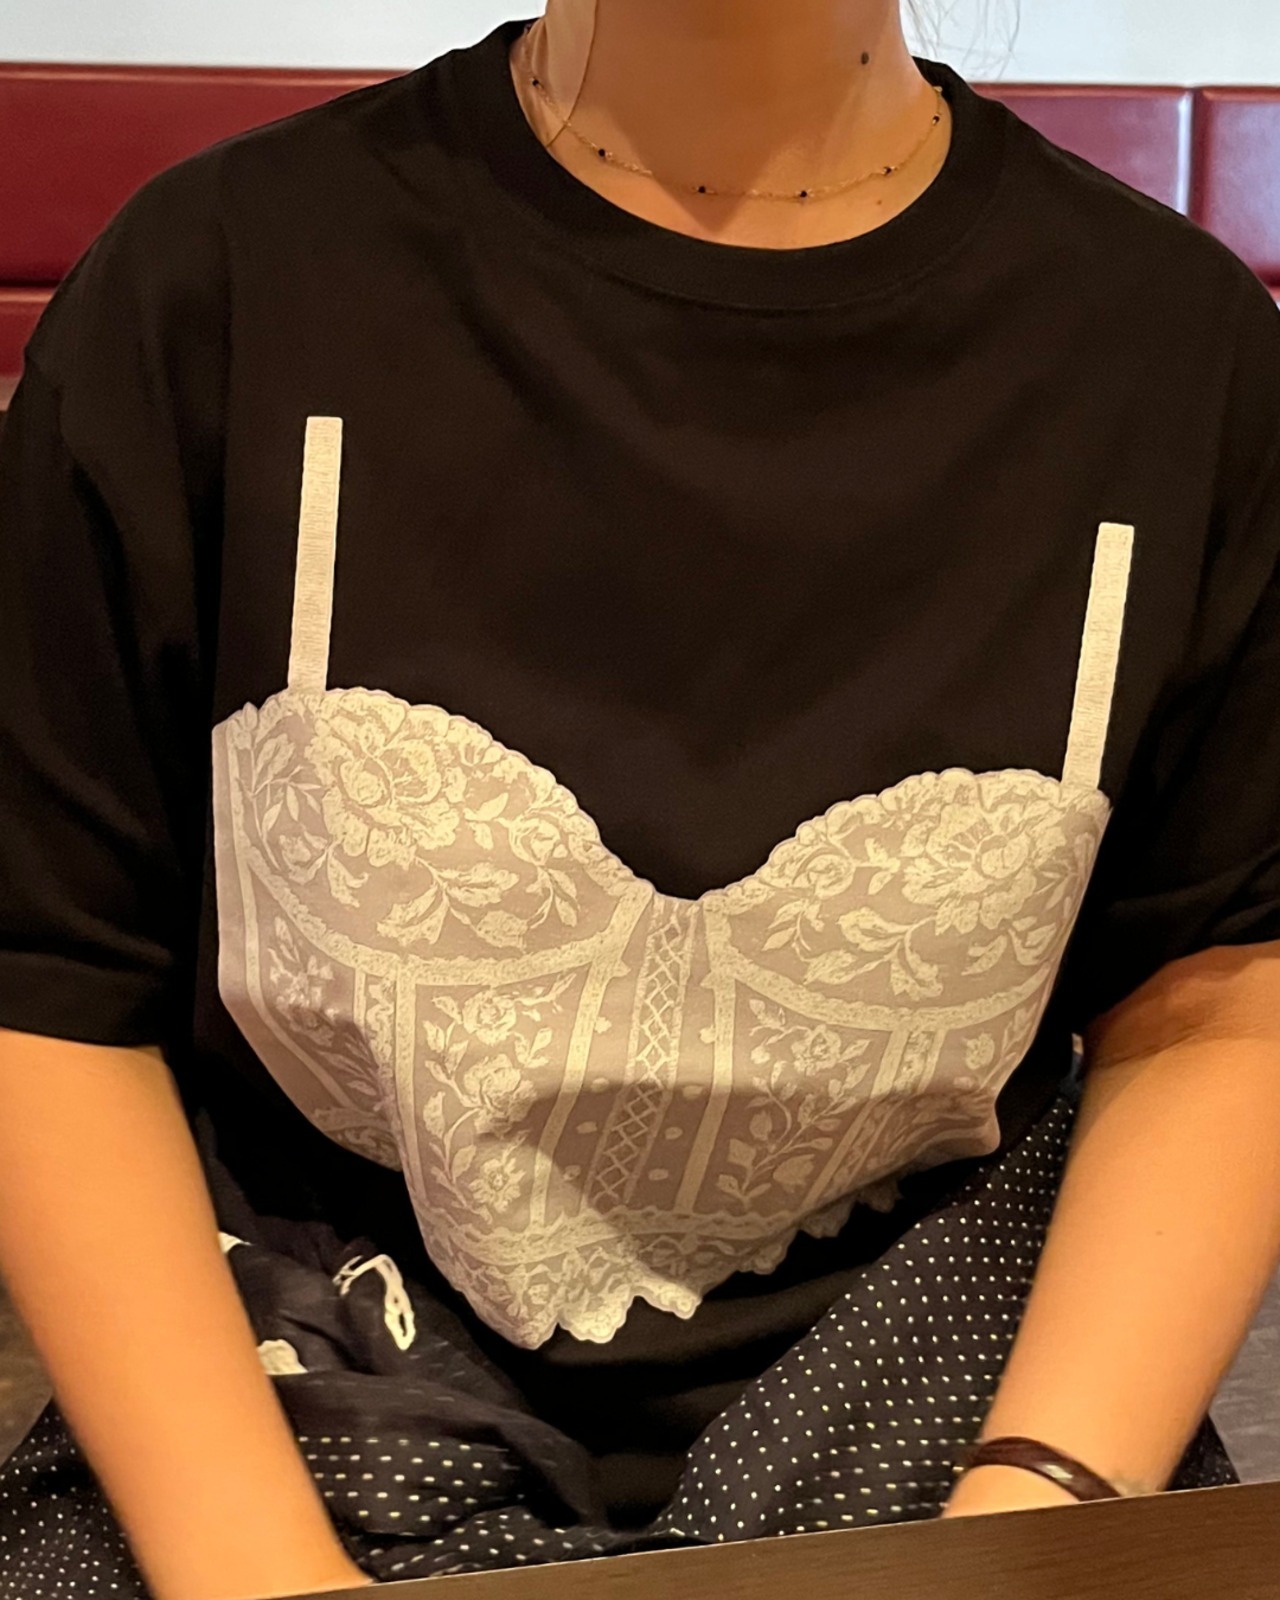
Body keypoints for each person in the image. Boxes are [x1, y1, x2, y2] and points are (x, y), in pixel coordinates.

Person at [1, 2, 1279, 1596]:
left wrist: (1035, 1509)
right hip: (295, 1396)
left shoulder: (1179, 357)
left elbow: (1215, 992)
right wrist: (263, 1575)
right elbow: (51, 980)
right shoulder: (217, 282)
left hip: (967, 1404)